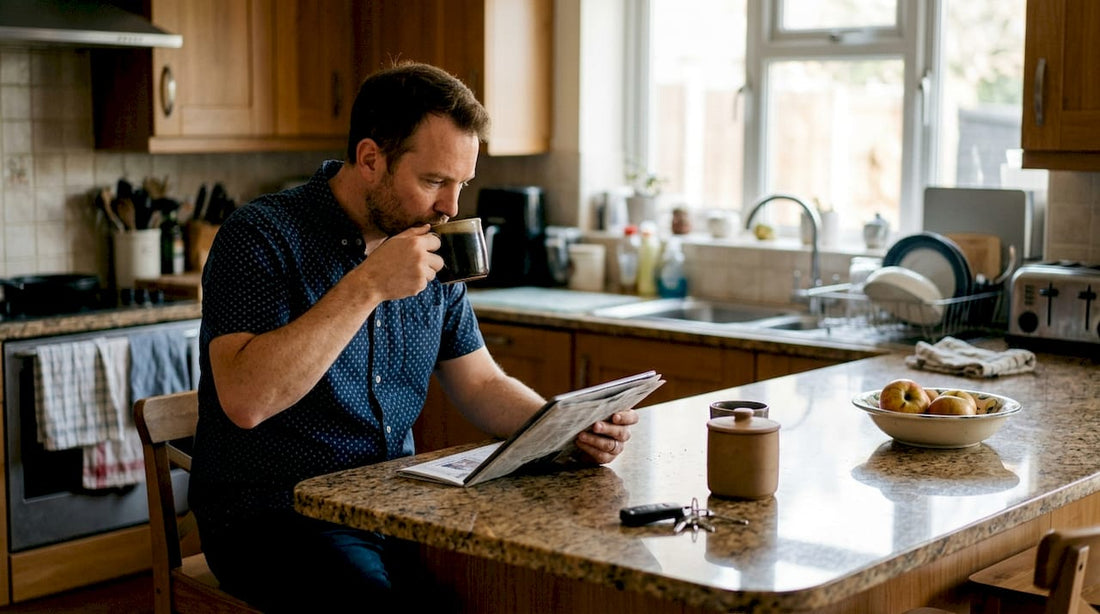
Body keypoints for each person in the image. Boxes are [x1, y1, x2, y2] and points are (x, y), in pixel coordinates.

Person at [188, 61, 639, 612]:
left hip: (395, 503)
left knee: (502, 587)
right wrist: (368, 285)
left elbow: (480, 384)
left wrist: (562, 428)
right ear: (371, 159)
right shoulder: (260, 236)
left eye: (461, 184)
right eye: (434, 182)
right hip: (274, 516)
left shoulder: (431, 243)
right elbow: (245, 400)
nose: (451, 206)